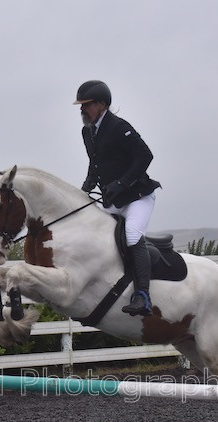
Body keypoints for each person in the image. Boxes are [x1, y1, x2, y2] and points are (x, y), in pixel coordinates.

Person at [74, 80, 161, 316]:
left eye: (87, 105)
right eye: (80, 106)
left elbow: (145, 156)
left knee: (132, 235)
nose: (82, 110)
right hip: (112, 202)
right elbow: (96, 164)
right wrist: (85, 188)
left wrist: (122, 183)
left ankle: (143, 295)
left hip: (137, 198)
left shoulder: (119, 126)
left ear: (102, 104)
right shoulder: (88, 132)